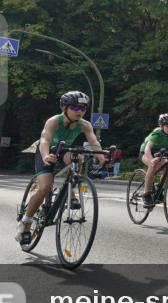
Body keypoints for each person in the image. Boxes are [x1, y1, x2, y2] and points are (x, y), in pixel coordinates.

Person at [16, 91, 107, 245]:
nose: (80, 111)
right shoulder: (54, 121)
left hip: (64, 150)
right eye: (75, 107)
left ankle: (71, 192)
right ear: (64, 107)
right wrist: (46, 155)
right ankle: (25, 223)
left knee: (77, 156)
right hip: (46, 150)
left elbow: (94, 142)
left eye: (83, 108)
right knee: (44, 188)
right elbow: (45, 140)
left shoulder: (85, 124)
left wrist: (101, 156)